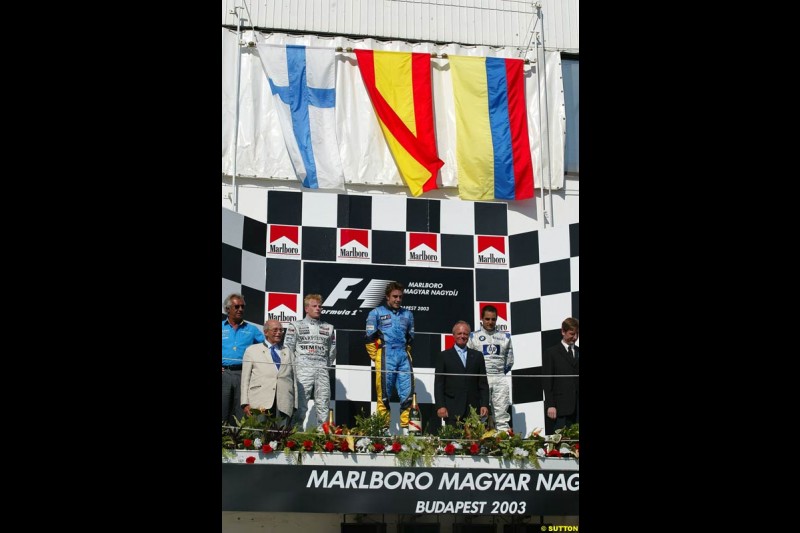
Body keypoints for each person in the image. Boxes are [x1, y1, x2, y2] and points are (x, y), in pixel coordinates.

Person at [365, 281, 415, 434]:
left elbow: (410, 338)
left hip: (403, 355)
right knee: (384, 395)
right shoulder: (376, 313)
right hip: (385, 355)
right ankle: (384, 430)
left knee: (407, 393)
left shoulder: (408, 314)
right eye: (394, 296)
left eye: (400, 297)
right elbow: (368, 338)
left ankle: (407, 430)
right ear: (387, 297)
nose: (398, 300)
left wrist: (404, 353)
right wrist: (377, 357)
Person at [284, 294, 337, 430]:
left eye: (320, 306)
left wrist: (324, 365)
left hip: (322, 370)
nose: (318, 308)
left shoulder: (329, 327)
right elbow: (288, 349)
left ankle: (323, 436)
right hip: (302, 370)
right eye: (314, 306)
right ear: (306, 308)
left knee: (323, 404)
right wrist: (295, 368)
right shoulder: (295, 325)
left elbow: (332, 351)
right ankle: (295, 434)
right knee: (300, 405)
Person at [240, 320, 298, 427]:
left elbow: (293, 379)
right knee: (259, 438)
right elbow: (245, 379)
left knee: (281, 439)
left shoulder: (288, 352)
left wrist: (294, 404)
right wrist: (244, 403)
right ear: (266, 332)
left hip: (283, 402)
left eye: (281, 330)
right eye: (275, 330)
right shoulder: (252, 351)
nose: (279, 332)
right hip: (259, 402)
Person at [467, 305, 514, 431]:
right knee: (479, 416)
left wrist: (498, 373)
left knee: (501, 416)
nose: (490, 322)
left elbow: (509, 361)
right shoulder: (473, 337)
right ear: (481, 319)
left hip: (499, 378)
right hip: (481, 380)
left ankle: (503, 447)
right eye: (487, 319)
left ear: (496, 319)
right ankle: (478, 447)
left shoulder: (505, 337)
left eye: (493, 319)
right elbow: (469, 361)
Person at [435, 321, 490, 427]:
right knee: (453, 443)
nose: (462, 336)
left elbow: (483, 384)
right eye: (459, 333)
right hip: (452, 409)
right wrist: (440, 406)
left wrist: (484, 404)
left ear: (469, 335)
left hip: (473, 410)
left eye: (465, 334)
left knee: (473, 443)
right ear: (454, 335)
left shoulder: (478, 356)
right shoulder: (443, 356)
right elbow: (439, 384)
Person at [222, 293, 265, 427]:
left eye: (242, 307)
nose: (240, 309)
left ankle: (237, 443)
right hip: (224, 374)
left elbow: (267, 347)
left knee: (240, 413)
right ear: (228, 309)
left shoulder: (252, 329)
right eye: (236, 306)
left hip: (243, 375)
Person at [542, 317, 579, 434]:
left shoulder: (579, 351)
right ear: (563, 331)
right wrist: (550, 405)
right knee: (561, 443)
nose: (575, 337)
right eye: (572, 334)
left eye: (577, 334)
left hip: (577, 407)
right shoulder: (551, 353)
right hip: (560, 407)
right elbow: (547, 382)